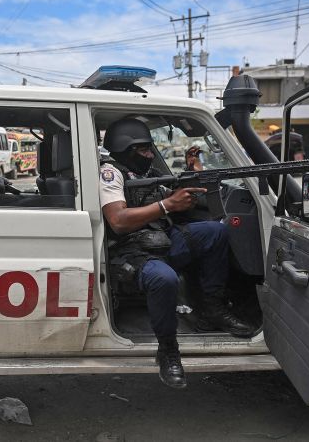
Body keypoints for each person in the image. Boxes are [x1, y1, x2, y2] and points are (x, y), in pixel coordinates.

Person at [99, 118, 254, 389]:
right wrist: (167, 204)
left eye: (150, 149)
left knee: (216, 232)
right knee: (165, 279)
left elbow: (169, 197)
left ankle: (211, 310)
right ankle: (168, 350)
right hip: (131, 250)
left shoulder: (145, 174)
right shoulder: (111, 173)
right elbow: (118, 220)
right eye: (145, 150)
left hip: (162, 239)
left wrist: (193, 173)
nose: (150, 155)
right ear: (126, 148)